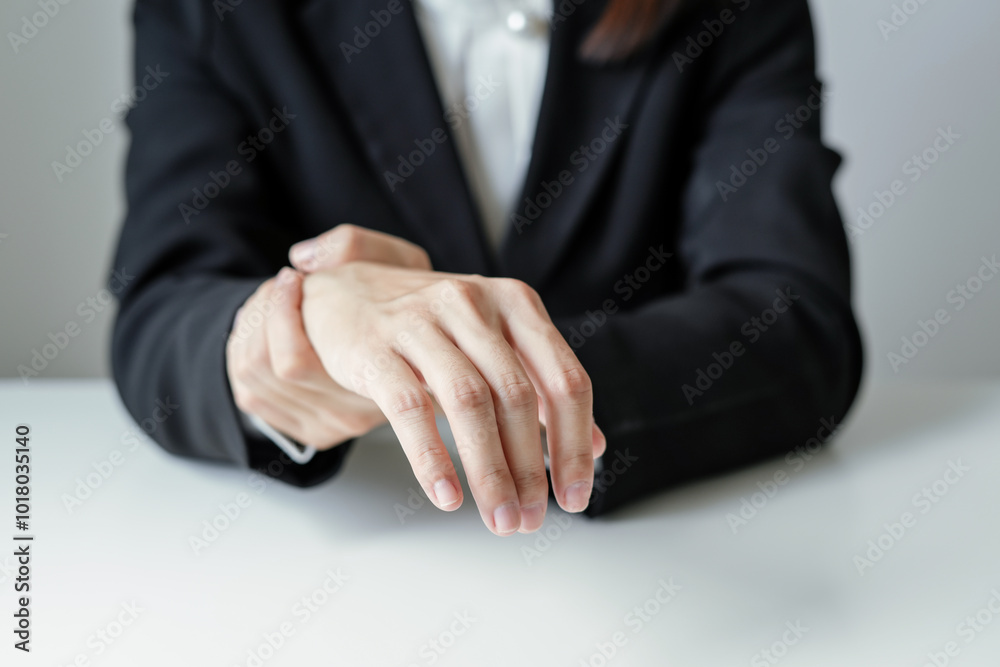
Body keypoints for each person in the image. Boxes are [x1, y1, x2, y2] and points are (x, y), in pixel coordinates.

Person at [110, 0, 863, 536]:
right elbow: (161, 308)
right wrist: (290, 328)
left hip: (648, 538)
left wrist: (504, 381)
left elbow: (797, 319)